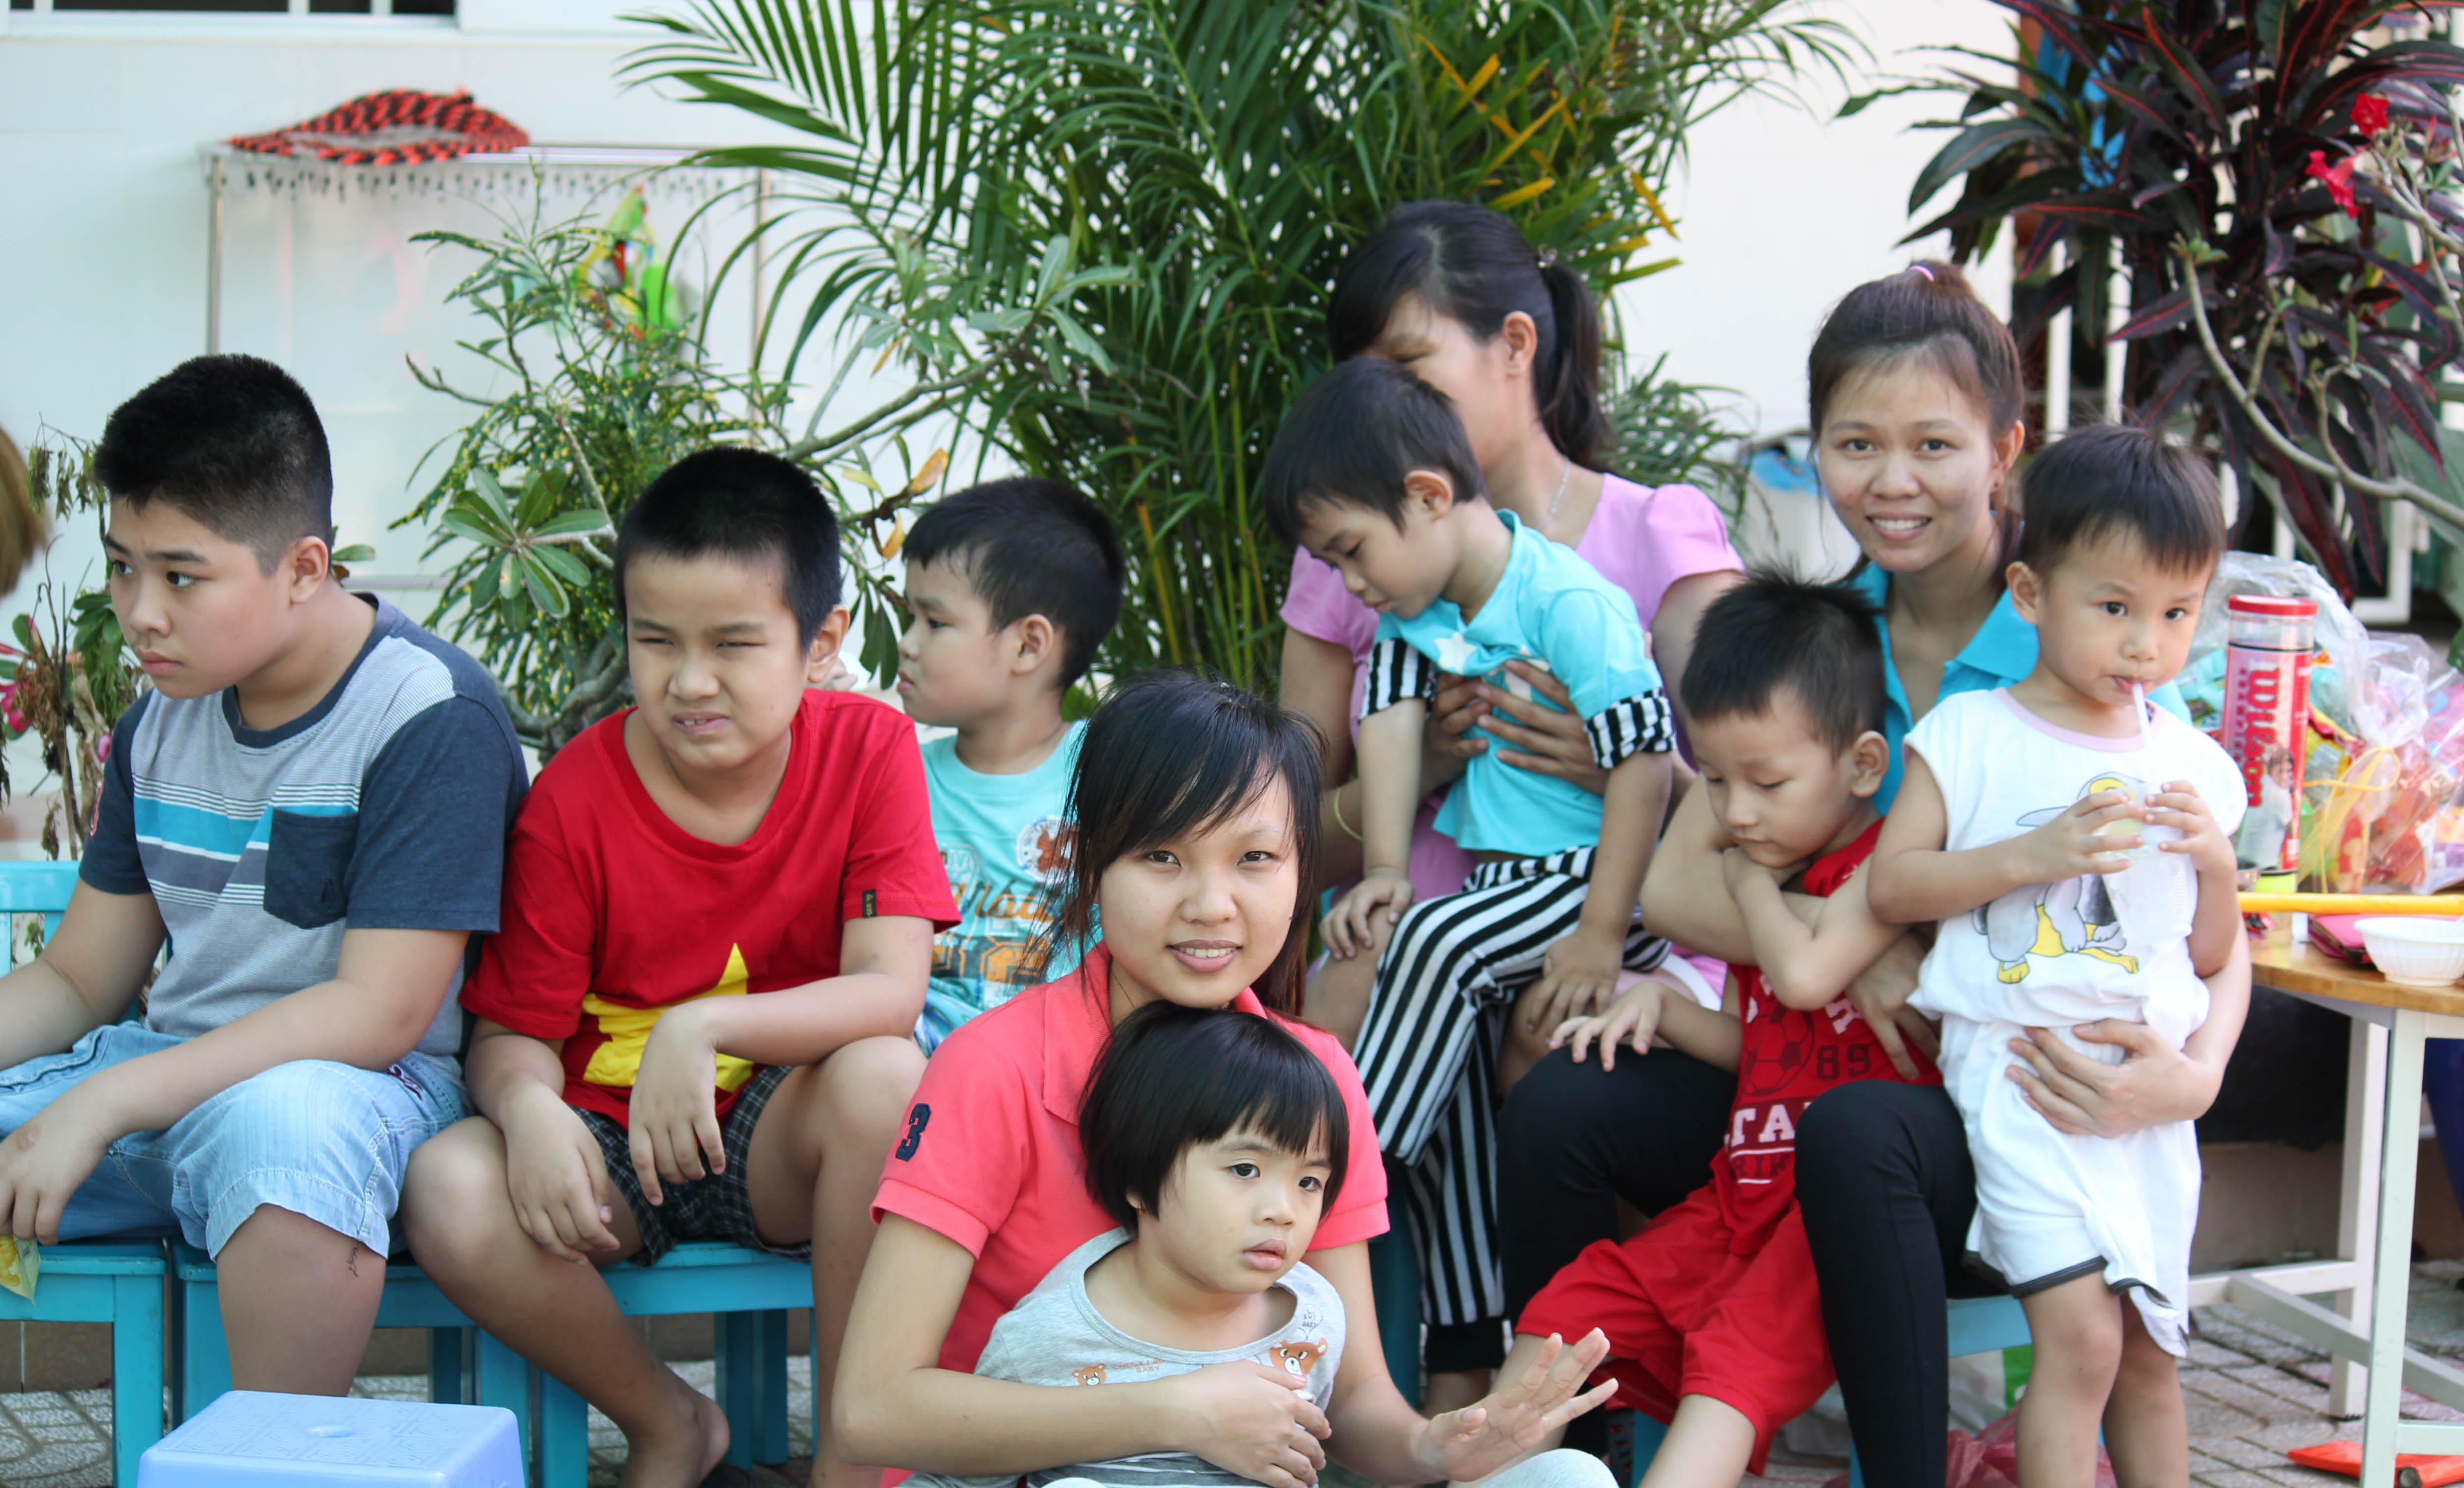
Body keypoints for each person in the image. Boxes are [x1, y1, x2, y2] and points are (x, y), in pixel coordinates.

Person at [1497, 263, 2252, 1484]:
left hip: (1989, 1086)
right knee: (1561, 1110)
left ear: (2004, 451)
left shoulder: (2101, 633)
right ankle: (1580, 1458)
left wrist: (2196, 1072)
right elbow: (1677, 888)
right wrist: (1871, 941)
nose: (1891, 482)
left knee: (1858, 1138)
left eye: (1932, 445)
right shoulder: (1814, 636)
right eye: (1856, 445)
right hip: (1810, 1050)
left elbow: (2203, 924)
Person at [837, 674, 1615, 1488]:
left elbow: (1352, 1398)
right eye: (1161, 856)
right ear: (1091, 860)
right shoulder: (990, 1066)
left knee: (1569, 1478)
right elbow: (871, 1409)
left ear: (1301, 867)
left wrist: (1437, 1446)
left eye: (1254, 858)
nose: (1212, 904)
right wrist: (1174, 1411)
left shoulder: (1316, 1073)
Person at [403, 448, 958, 1488]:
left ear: (821, 643)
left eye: (733, 643)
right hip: (606, 1149)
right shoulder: (574, 796)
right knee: (448, 1184)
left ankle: (851, 1467)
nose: (689, 681)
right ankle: (669, 1421)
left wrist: (702, 1025)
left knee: (887, 1075)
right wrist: (529, 1113)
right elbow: (513, 1033)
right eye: (655, 640)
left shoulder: (869, 751)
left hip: (773, 1139)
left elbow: (891, 993)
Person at [1278, 199, 1740, 1410]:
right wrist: (1411, 795)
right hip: (1458, 909)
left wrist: (1612, 783)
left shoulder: (1613, 563)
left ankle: (1335, 1188)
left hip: (1588, 910)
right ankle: (1449, 1371)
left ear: (1517, 347)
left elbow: (1743, 787)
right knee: (1374, 983)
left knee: (1468, 990)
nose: (1382, 403)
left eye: (1409, 367)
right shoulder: (1383, 576)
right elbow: (1294, 814)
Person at [0, 355, 526, 1391]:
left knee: (284, 1132)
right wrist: (107, 1098)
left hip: (364, 1099)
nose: (139, 612)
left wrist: (104, 1104)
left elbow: (376, 1013)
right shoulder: (161, 720)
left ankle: (276, 1456)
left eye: (180, 576)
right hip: (167, 1086)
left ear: (303, 568)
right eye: (121, 566)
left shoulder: (427, 715)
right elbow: (78, 979)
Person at [1868, 425, 2240, 1488]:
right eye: (2114, 607)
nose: (2145, 645)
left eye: (2175, 614)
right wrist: (2028, 856)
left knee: (2152, 1354)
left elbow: (2211, 954)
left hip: (2149, 1100)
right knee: (2079, 1343)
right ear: (2030, 594)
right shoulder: (1972, 733)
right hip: (2022, 1077)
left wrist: (2216, 865)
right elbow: (1893, 887)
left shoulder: (2194, 765)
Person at [1511, 572, 1936, 1488]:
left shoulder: (1886, 872)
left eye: (1766, 782)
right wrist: (1664, 1008)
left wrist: (1745, 883)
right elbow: (1769, 1050)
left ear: (1864, 764)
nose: (1735, 812)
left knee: (1731, 1362)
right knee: (1566, 1312)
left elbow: (1801, 974)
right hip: (1736, 1193)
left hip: (1823, 1221)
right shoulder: (1777, 857)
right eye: (1713, 781)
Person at [909, 999, 1615, 1488]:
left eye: (1309, 1182)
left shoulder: (1313, 1315)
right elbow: (948, 1475)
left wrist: (1435, 1448)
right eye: (1245, 1169)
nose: (1283, 1210)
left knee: (1573, 1474)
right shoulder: (1052, 1333)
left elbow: (1355, 1420)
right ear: (1140, 1178)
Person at [896, 477, 1125, 1051]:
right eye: (909, 617)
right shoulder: (893, 777)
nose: (907, 644)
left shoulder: (1111, 776)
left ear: (1028, 645)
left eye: (934, 622)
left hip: (1056, 1070)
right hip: (907, 1072)